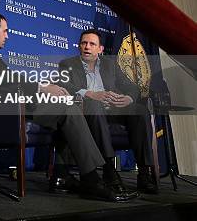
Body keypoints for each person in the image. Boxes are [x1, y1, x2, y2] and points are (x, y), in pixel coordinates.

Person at [0, 12, 134, 201]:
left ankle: (61, 175)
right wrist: (43, 88)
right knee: (68, 110)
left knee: (67, 109)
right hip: (1, 114)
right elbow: (3, 83)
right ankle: (91, 179)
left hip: (15, 107)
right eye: (5, 31)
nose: (7, 36)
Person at [58, 29, 158, 194]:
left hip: (112, 109)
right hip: (86, 110)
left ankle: (144, 173)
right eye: (84, 43)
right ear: (79, 46)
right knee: (94, 105)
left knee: (140, 111)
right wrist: (90, 93)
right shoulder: (67, 64)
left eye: (92, 44)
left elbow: (131, 87)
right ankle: (109, 169)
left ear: (100, 49)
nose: (87, 47)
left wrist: (128, 98)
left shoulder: (109, 65)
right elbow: (65, 86)